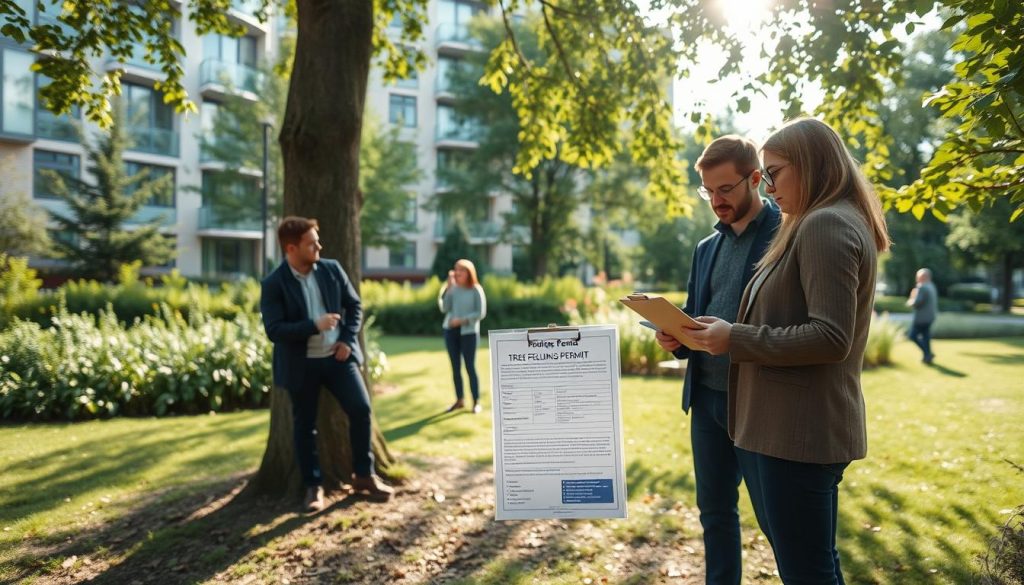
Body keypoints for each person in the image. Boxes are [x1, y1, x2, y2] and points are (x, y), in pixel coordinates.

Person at [676, 117, 890, 584]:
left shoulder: (822, 224)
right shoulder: (819, 221)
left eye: (773, 173)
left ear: (810, 165)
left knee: (806, 570)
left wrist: (734, 337)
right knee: (811, 565)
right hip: (788, 424)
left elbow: (831, 337)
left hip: (797, 428)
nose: (769, 185)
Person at [654, 135, 781, 585]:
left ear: (755, 179)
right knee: (714, 513)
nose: (716, 201)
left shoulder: (786, 235)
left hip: (759, 402)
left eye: (725, 189)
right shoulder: (705, 248)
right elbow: (694, 315)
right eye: (708, 191)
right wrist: (677, 339)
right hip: (707, 400)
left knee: (777, 524)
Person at [261, 216, 394, 513]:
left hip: (338, 359)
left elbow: (354, 305)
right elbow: (275, 330)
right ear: (292, 248)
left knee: (361, 410)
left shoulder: (332, 269)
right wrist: (314, 325)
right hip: (301, 365)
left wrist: (347, 339)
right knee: (304, 427)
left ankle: (363, 476)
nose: (319, 245)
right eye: (311, 243)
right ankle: (313, 487)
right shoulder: (273, 284)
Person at [438, 258, 487, 414]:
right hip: (450, 332)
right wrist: (448, 288)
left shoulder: (476, 289)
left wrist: (462, 320)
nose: (457, 272)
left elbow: (480, 313)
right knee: (455, 368)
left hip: (469, 333)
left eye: (461, 270)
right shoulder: (452, 289)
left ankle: (476, 401)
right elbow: (444, 308)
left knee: (470, 367)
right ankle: (459, 400)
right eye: (456, 269)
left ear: (469, 272)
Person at [906, 268, 937, 364]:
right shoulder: (932, 286)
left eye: (918, 277)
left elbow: (917, 303)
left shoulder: (922, 287)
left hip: (921, 318)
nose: (916, 279)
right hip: (930, 317)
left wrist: (911, 299)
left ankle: (928, 353)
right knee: (926, 337)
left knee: (912, 336)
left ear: (923, 277)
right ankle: (927, 357)